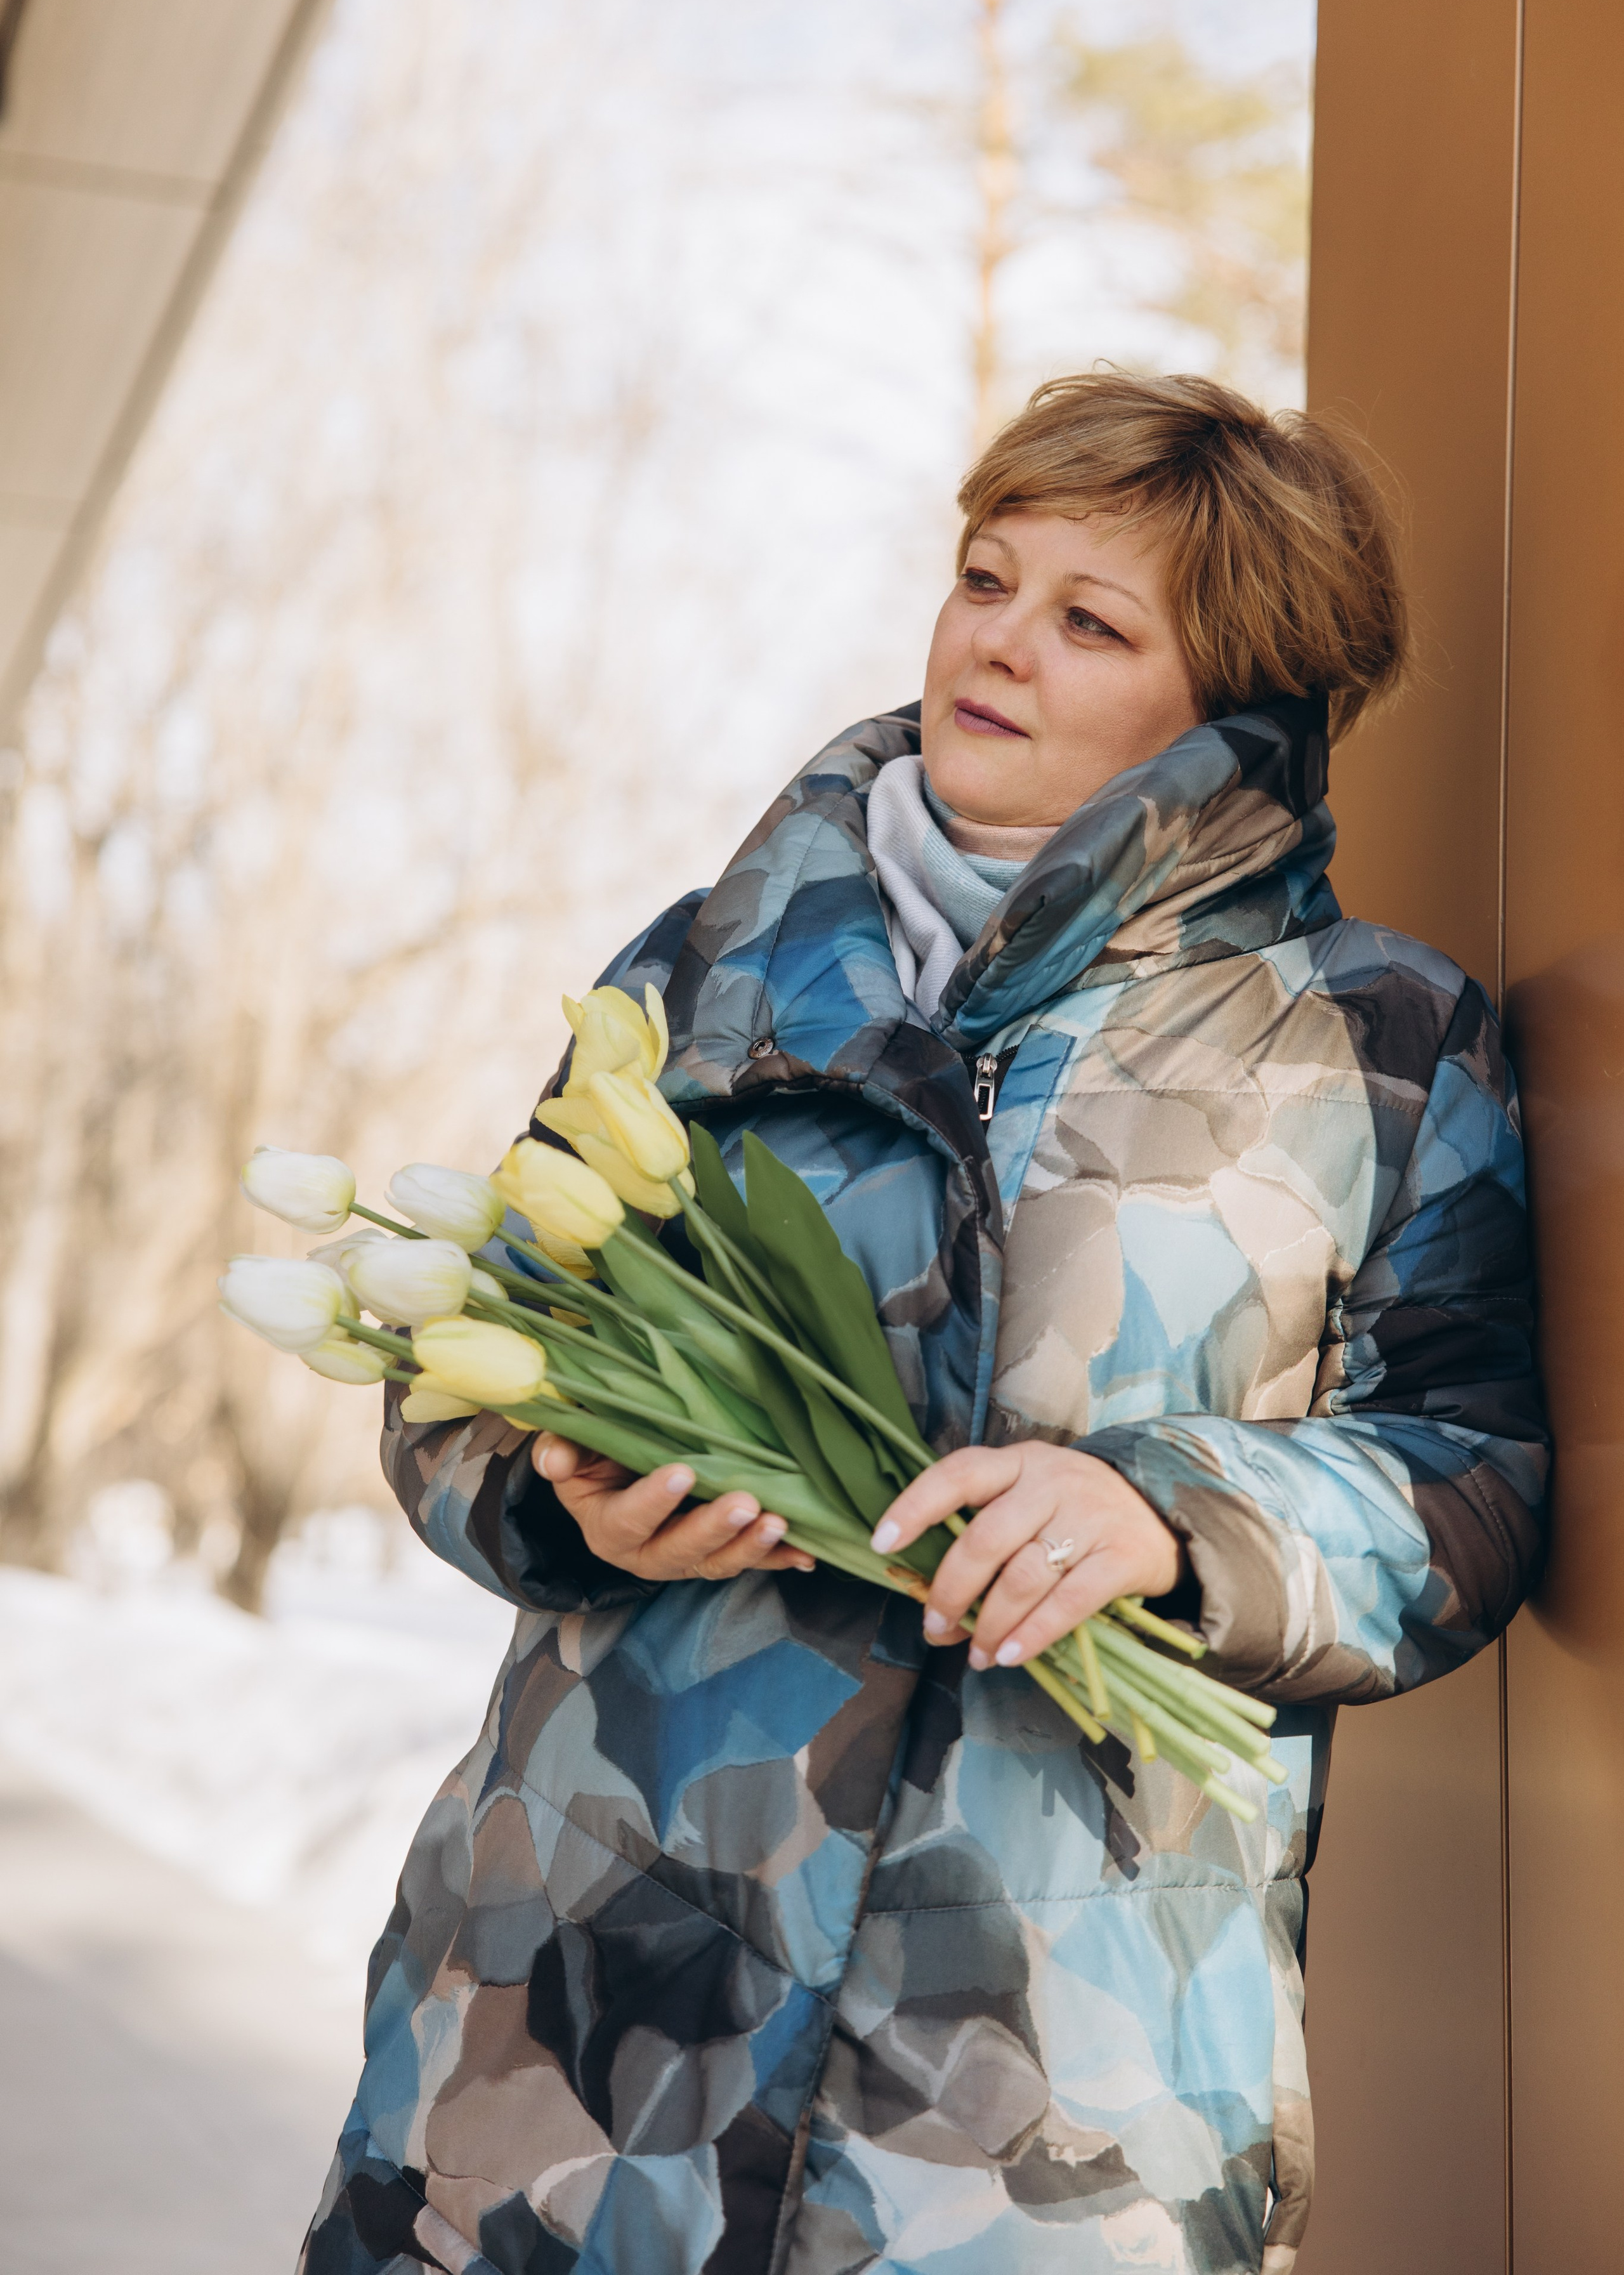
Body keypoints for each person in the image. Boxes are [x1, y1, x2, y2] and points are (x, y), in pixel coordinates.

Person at [302, 373, 1548, 2275]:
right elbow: (463, 1361)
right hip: (574, 2022)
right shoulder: (714, 969)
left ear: (1240, 706)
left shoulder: (1372, 1041)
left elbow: (1473, 1475)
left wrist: (1174, 1520)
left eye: (1090, 621)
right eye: (986, 578)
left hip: (1034, 2095)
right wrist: (558, 1485)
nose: (998, 642)